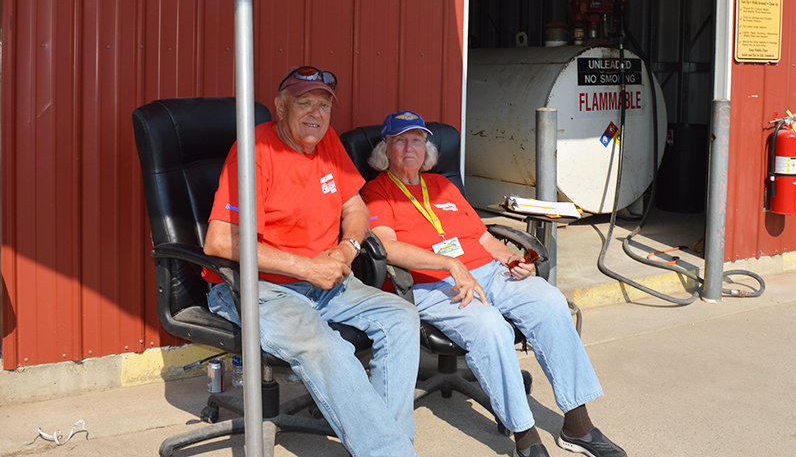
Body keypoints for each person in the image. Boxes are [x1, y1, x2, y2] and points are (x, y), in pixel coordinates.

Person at [361, 111, 626, 457]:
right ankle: (525, 435)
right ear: (385, 149)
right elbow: (387, 247)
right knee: (491, 327)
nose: (410, 147)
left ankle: (578, 425)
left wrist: (510, 259)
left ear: (427, 148)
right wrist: (450, 264)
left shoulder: (443, 186)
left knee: (550, 302)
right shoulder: (376, 192)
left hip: (486, 271)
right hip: (432, 283)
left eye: (417, 139)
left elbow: (482, 237)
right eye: (400, 140)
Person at [203, 67, 421, 457]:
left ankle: (389, 445)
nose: (315, 114)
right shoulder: (256, 150)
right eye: (304, 103)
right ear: (280, 107)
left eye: (323, 105)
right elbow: (219, 242)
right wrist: (306, 268)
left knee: (401, 317)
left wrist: (347, 248)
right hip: (262, 286)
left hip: (327, 278)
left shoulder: (328, 142)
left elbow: (356, 207)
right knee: (330, 349)